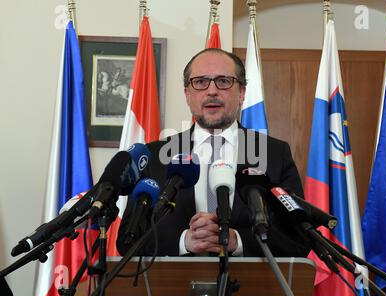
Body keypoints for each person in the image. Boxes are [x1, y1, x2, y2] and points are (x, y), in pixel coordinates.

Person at [116, 48, 310, 258]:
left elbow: (298, 239)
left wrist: (238, 240)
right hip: (172, 288)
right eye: (200, 82)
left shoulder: (274, 154)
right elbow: (128, 240)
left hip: (250, 288)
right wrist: (184, 242)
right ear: (187, 94)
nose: (211, 91)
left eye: (224, 81)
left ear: (242, 92)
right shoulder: (155, 156)